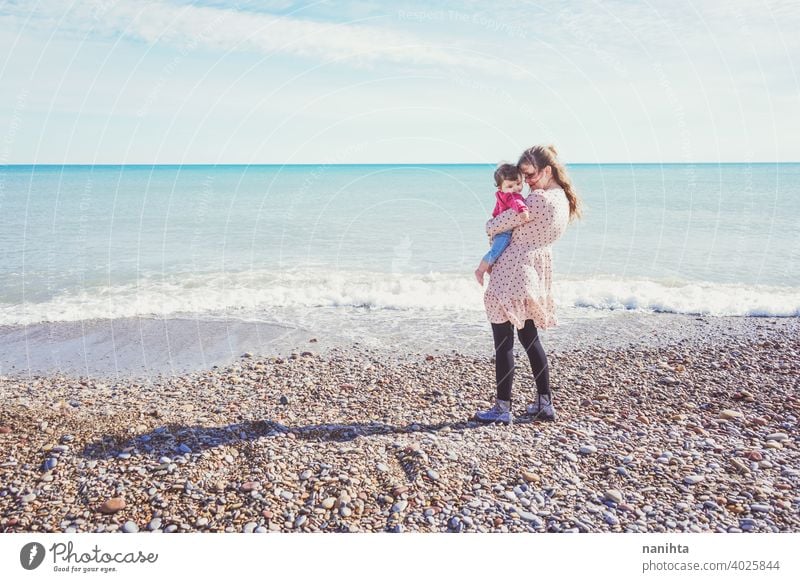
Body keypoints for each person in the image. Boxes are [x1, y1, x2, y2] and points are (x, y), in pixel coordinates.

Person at [475, 144, 582, 424]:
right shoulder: (562, 200)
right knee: (530, 339)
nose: (526, 183)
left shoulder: (537, 201)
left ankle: (502, 409)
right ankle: (545, 404)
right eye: (522, 176)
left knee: (504, 343)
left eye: (531, 175)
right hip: (533, 273)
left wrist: (491, 226)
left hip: (511, 273)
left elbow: (495, 225)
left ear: (547, 170)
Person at [474, 164, 529, 286]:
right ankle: (480, 270)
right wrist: (522, 210)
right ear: (500, 187)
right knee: (495, 252)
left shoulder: (501, 195)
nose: (515, 188)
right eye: (510, 186)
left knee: (497, 252)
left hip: (498, 229)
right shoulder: (510, 195)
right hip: (504, 232)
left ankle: (489, 266)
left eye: (518, 183)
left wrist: (496, 218)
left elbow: (496, 210)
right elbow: (516, 201)